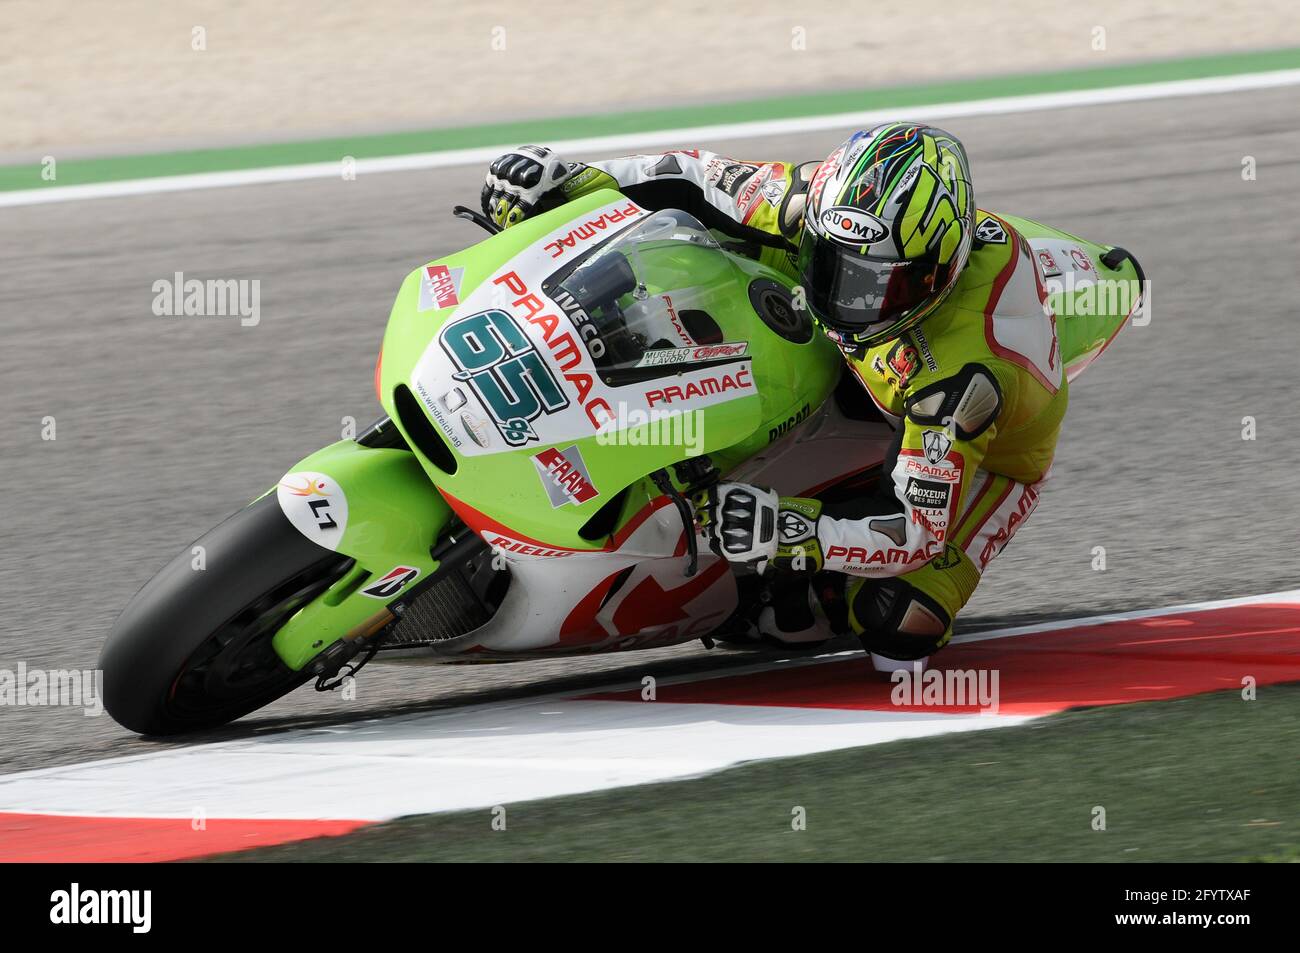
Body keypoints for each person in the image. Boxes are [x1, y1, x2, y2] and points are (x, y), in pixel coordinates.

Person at [479, 124, 1066, 670]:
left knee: (900, 624)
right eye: (828, 263)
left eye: (868, 285)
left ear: (936, 277)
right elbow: (689, 177)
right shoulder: (816, 207)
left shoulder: (961, 380)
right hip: (858, 361)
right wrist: (576, 179)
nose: (839, 295)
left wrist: (785, 528)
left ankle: (754, 602)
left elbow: (913, 534)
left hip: (984, 461)